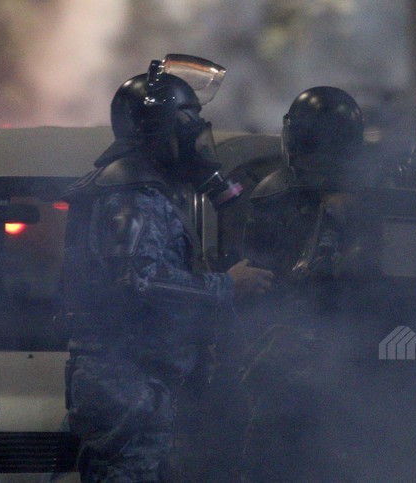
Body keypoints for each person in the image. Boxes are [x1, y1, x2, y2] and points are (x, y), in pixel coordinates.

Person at [59, 54, 273, 482]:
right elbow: (139, 280)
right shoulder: (130, 195)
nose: (195, 142)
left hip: (136, 378)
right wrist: (225, 286)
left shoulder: (139, 188)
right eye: (186, 128)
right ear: (160, 133)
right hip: (128, 381)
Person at [236, 86, 375, 482]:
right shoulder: (276, 193)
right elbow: (259, 279)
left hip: (345, 359)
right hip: (295, 354)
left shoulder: (370, 197)